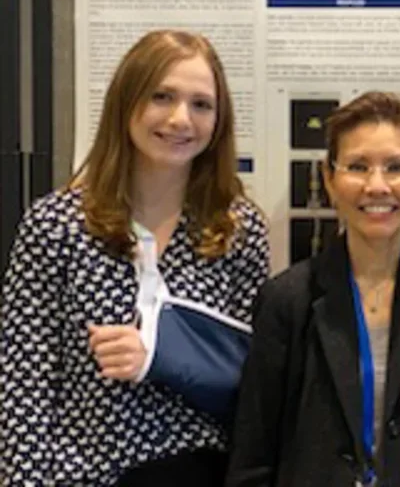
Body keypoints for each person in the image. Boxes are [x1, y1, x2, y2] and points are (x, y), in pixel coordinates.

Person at [0, 30, 270, 486]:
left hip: (202, 472)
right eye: (161, 96)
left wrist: (162, 355)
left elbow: (252, 382)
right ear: (126, 103)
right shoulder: (56, 225)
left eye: (201, 104)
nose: (180, 119)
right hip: (85, 475)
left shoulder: (236, 231)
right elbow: (24, 383)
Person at [227, 91, 400, 486]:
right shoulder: (288, 299)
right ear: (329, 179)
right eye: (357, 166)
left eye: (396, 167)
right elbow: (254, 454)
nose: (377, 186)